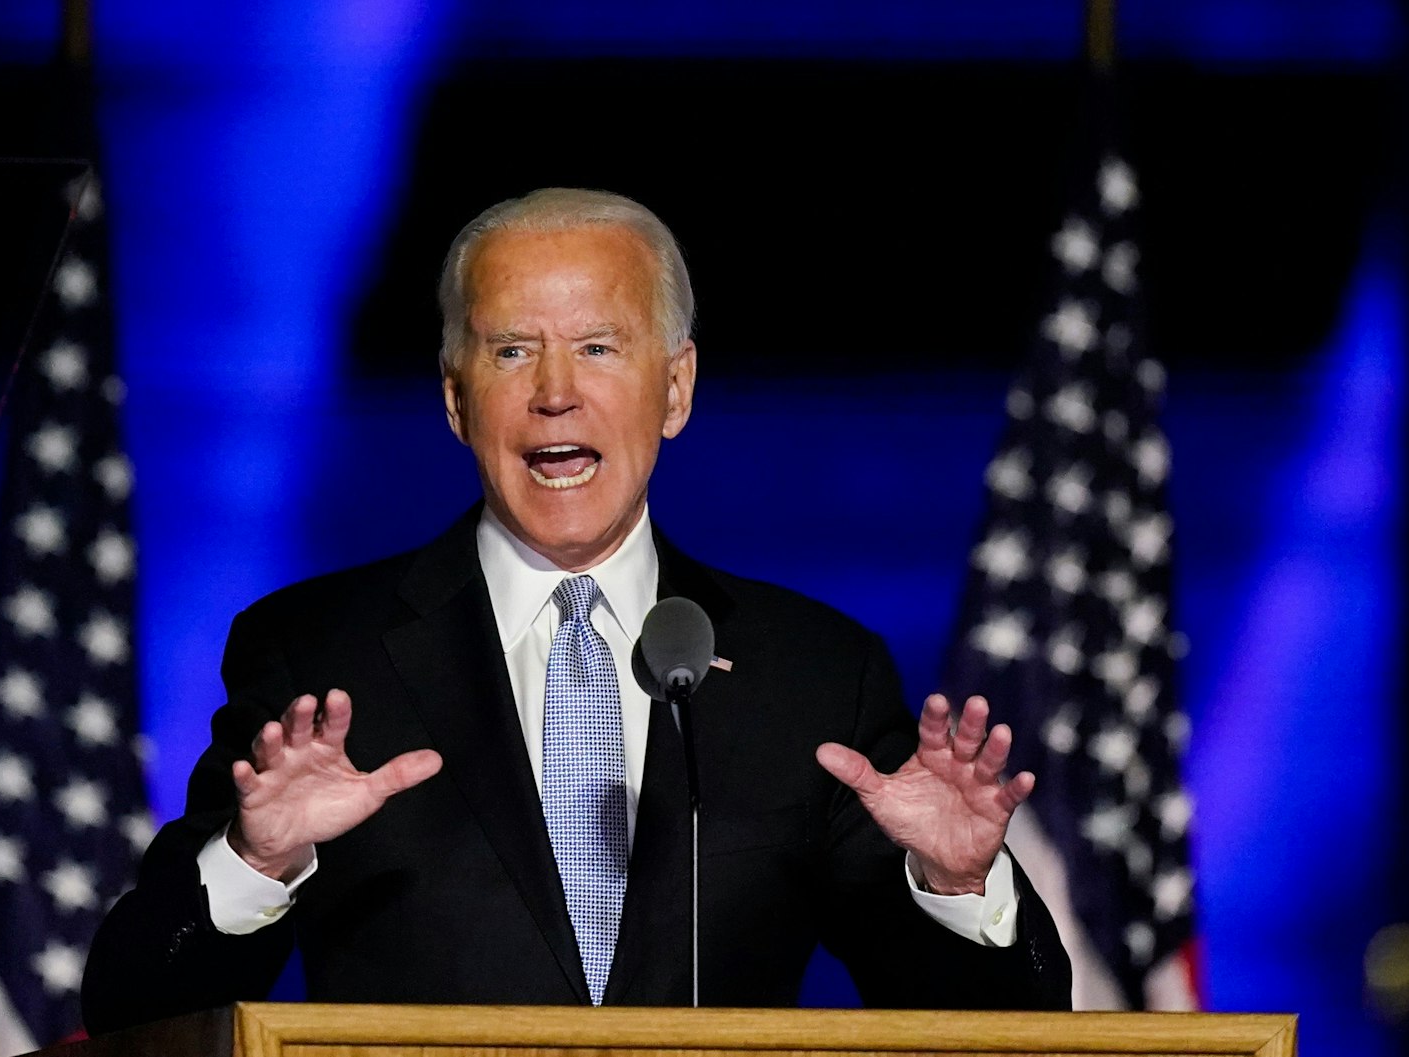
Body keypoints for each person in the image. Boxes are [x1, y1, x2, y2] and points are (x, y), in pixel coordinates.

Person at [81, 188, 1071, 1033]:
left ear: (673, 388)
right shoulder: (316, 656)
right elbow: (135, 1007)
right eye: (512, 351)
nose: (556, 393)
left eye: (597, 347)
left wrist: (954, 885)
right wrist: (259, 859)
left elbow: (996, 1029)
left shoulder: (813, 673)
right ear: (456, 399)